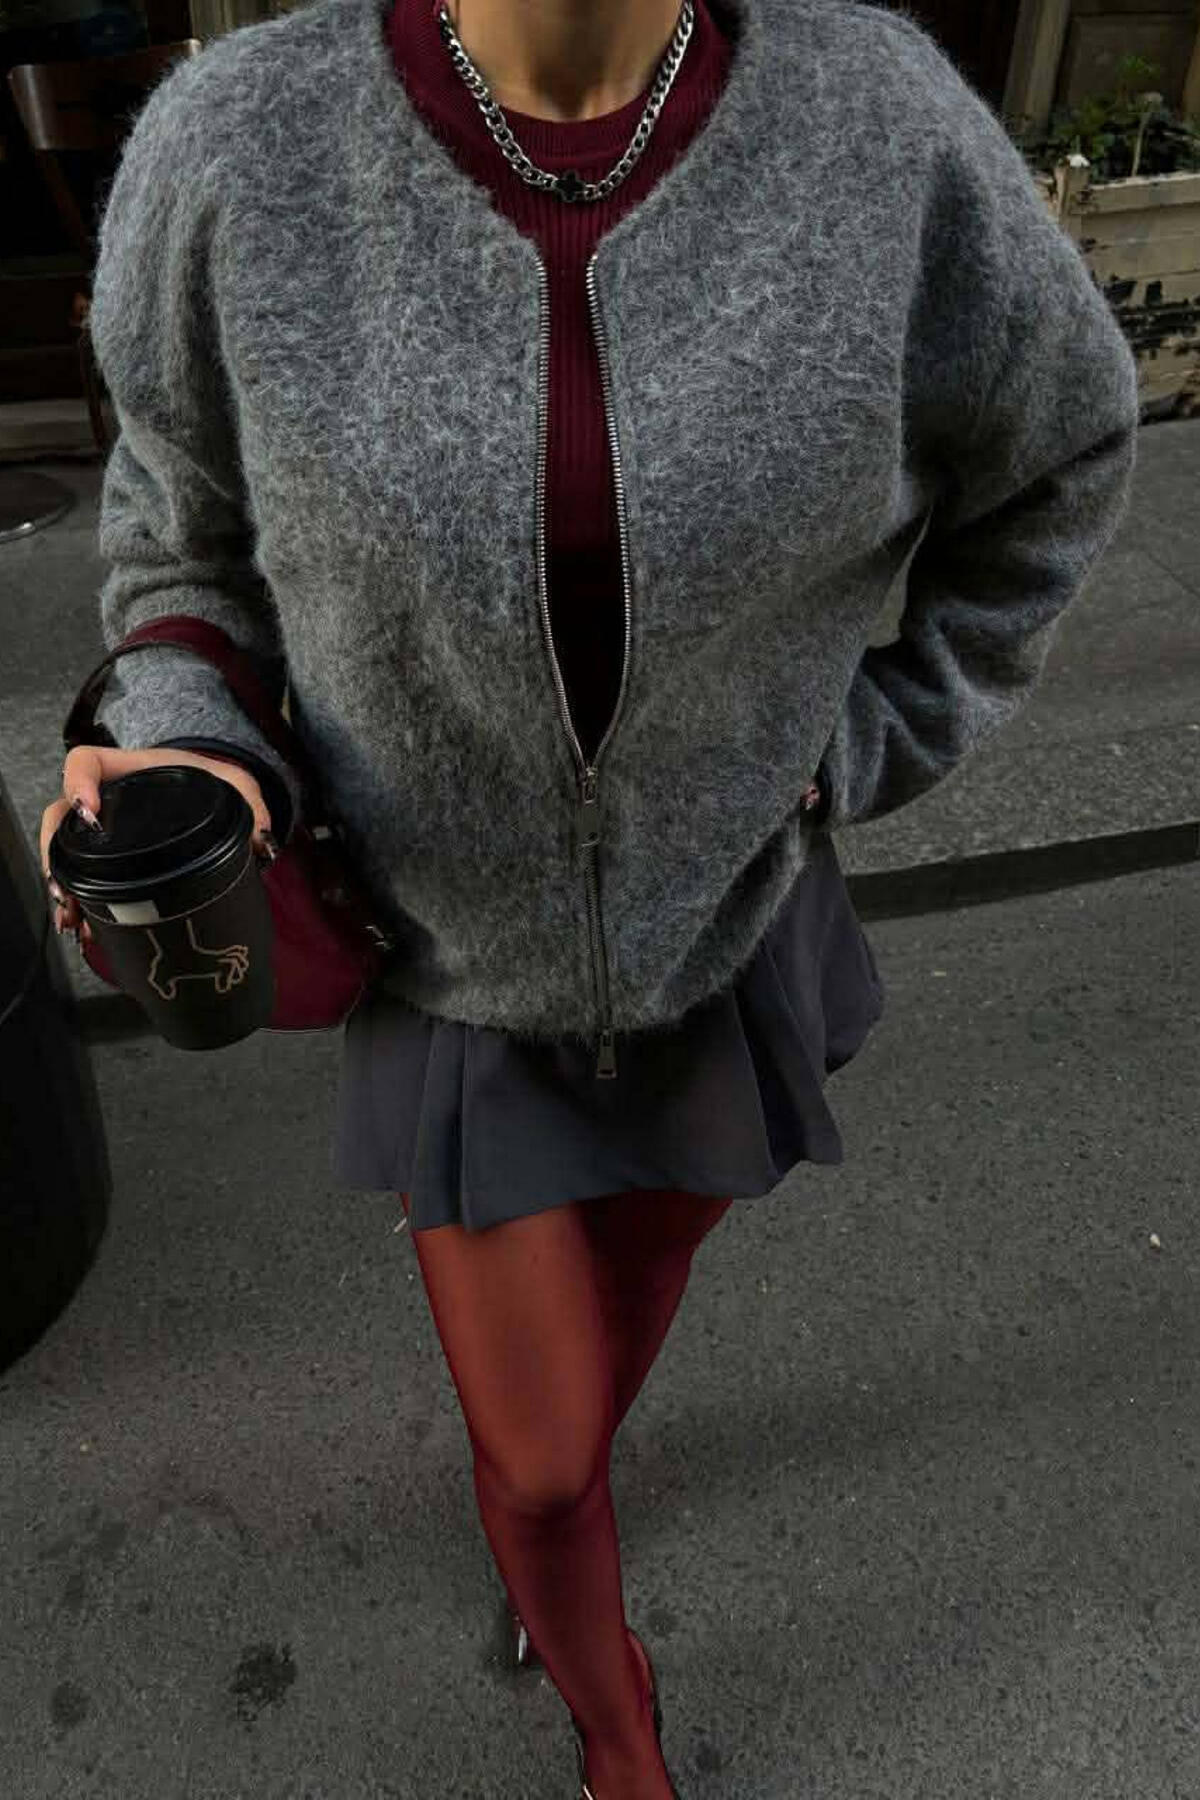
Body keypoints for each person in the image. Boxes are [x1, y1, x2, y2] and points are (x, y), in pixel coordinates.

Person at [40, 0, 1139, 1792]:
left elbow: (1064, 449)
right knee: (546, 1461)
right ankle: (612, 1715)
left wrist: (880, 729)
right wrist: (185, 741)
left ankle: (554, 1526)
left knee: (625, 1310)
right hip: (446, 956)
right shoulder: (238, 141)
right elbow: (179, 537)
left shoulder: (877, 119)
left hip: (731, 926)